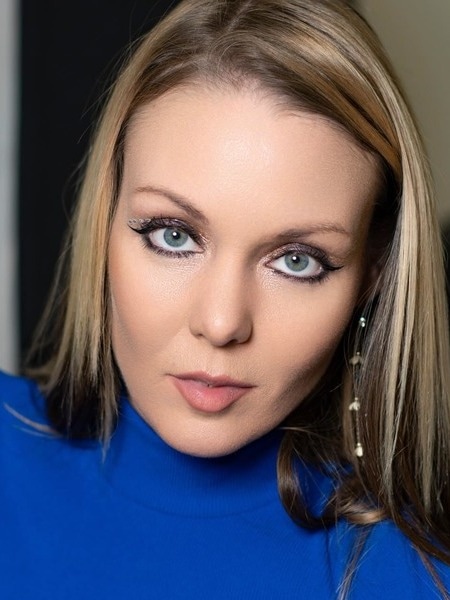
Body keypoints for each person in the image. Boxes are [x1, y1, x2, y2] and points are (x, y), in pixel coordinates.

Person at [1, 0, 450, 597]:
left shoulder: (418, 576)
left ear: (372, 274)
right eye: (173, 235)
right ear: (105, 220)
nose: (220, 323)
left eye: (297, 261)